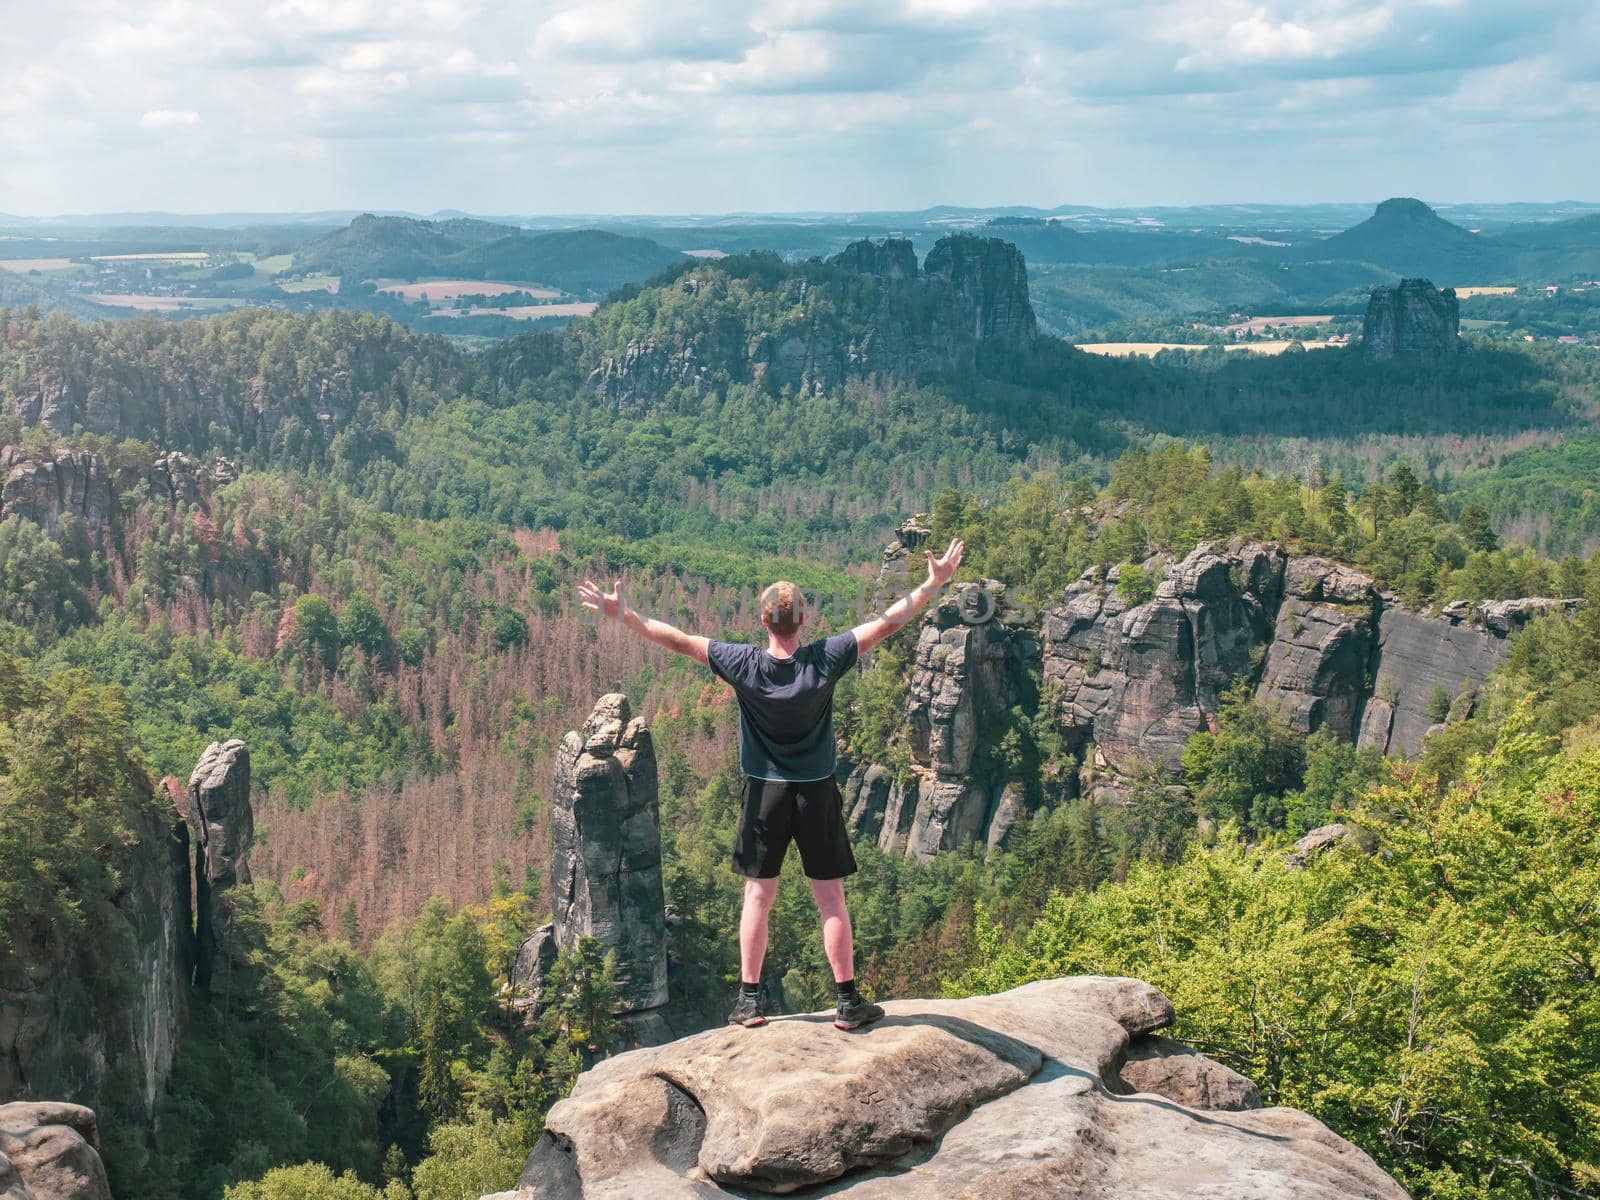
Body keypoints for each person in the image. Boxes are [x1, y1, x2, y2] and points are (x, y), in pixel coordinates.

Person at [578, 537, 964, 1031]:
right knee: (831, 898)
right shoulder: (825, 659)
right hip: (817, 791)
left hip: (764, 792)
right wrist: (933, 582)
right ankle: (847, 1002)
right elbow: (889, 622)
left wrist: (625, 615)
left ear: (763, 621)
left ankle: (749, 1001)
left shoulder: (743, 665)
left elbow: (676, 639)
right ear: (803, 620)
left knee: (758, 895)